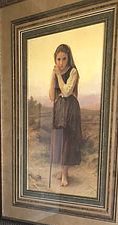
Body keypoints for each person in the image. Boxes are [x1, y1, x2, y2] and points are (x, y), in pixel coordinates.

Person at [49, 44, 82, 187]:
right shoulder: (56, 72)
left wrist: (58, 75)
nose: (61, 62)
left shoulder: (73, 71)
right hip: (60, 108)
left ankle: (64, 174)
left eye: (64, 59)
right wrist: (53, 77)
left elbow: (67, 92)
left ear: (68, 59)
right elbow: (52, 96)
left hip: (71, 109)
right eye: (58, 59)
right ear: (55, 60)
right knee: (60, 140)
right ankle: (63, 172)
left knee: (68, 140)